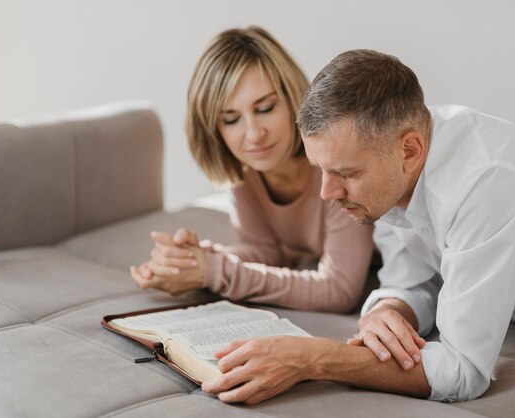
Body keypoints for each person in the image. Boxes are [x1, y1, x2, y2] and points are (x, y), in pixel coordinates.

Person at [200, 49, 515, 405]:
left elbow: (462, 370)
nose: (326, 193)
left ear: (410, 150)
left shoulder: (488, 184)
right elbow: (416, 280)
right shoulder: (392, 173)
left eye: (345, 172)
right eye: (320, 170)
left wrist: (309, 358)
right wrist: (386, 312)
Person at [130, 27, 375, 313]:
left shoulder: (334, 165)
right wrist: (196, 260)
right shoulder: (248, 172)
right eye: (231, 119)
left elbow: (338, 289)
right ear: (215, 129)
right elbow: (265, 252)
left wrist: (214, 272)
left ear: (293, 98)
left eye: (265, 108)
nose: (254, 134)